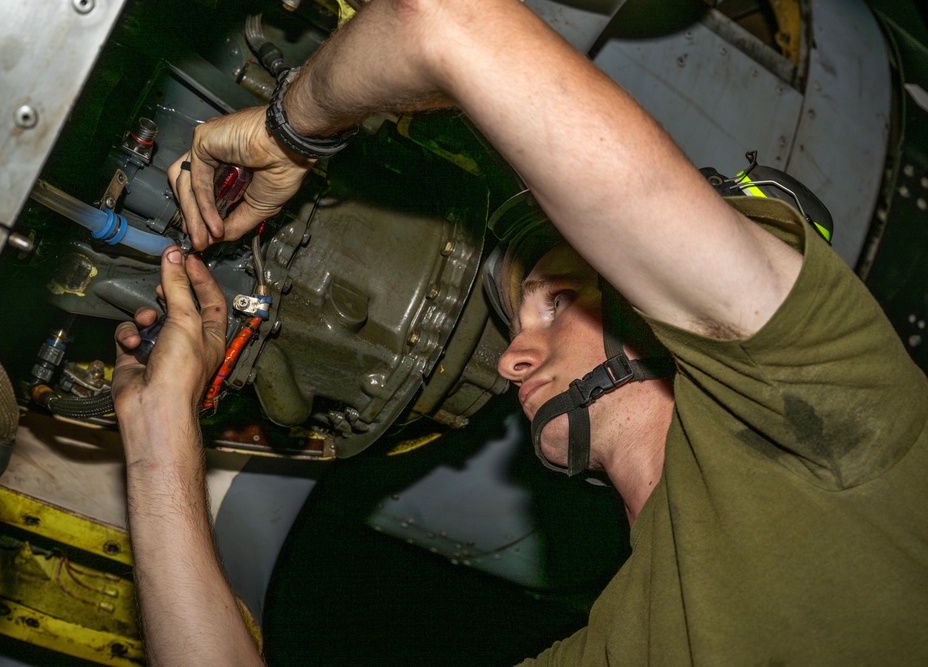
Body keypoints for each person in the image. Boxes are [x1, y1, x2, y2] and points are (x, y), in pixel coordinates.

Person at [111, 0, 928, 664]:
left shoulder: (847, 412)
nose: (509, 356)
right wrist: (159, 442)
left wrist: (291, 131)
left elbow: (444, 19)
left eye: (553, 297)